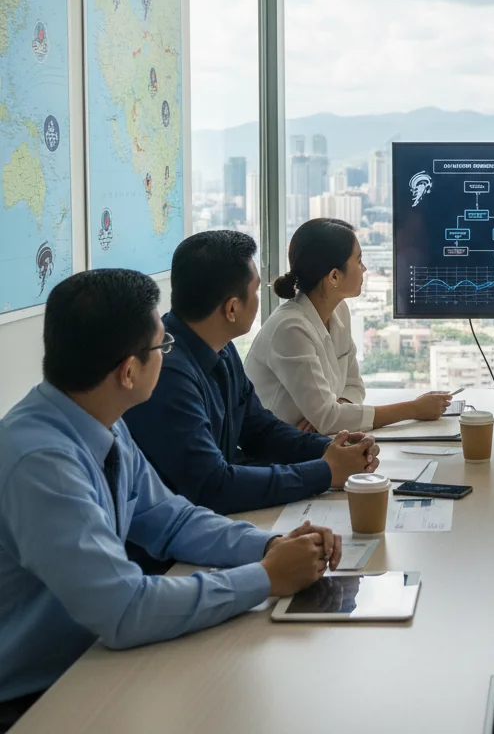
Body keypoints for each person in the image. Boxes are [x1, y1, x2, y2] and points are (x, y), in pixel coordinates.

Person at [0, 270, 342, 731]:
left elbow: (171, 519)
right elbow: (125, 608)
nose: (168, 356)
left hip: (94, 662)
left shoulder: (100, 417)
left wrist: (268, 547)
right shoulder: (41, 462)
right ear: (128, 371)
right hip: (37, 698)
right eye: (162, 348)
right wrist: (263, 579)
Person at [125, 231, 379, 516]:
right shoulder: (168, 374)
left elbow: (259, 429)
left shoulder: (220, 349)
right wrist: (324, 471)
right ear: (232, 308)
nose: (261, 299)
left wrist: (334, 447)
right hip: (173, 544)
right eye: (256, 290)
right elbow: (213, 486)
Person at [246, 218, 452, 434]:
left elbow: (354, 387)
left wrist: (338, 412)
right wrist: (414, 409)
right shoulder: (290, 329)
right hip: (273, 457)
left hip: (309, 445)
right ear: (334, 276)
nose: (364, 268)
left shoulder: (340, 312)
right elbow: (329, 418)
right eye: (359, 260)